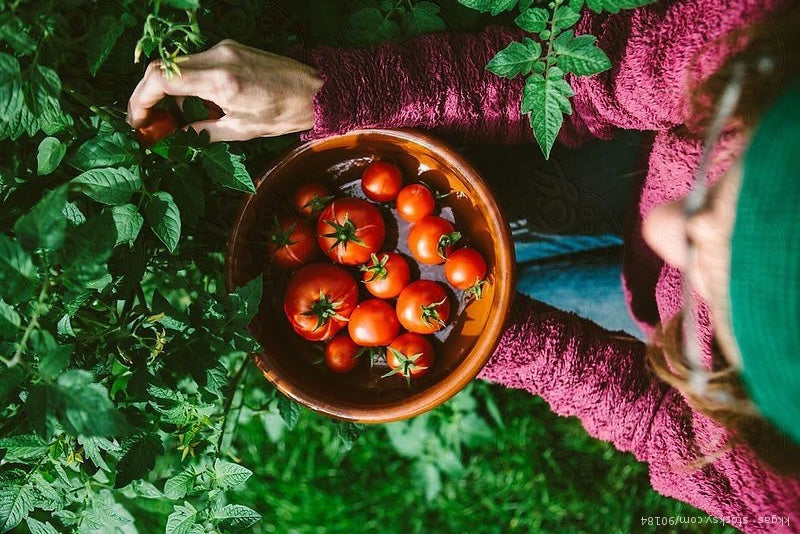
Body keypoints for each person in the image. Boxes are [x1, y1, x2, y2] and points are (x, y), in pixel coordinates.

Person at [127, 0, 800, 530]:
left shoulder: (779, 494)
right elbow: (608, 68)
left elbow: (667, 430)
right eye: (732, 185)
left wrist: (482, 325)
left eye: (722, 280)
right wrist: (332, 93)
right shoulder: (772, 35)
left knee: (535, 269)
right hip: (623, 173)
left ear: (757, 405)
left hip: (626, 302)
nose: (666, 225)